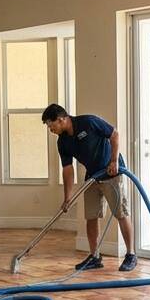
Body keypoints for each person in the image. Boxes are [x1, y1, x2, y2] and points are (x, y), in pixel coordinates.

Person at [42, 104, 137, 272]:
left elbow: (114, 134)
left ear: (61, 119)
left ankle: (131, 255)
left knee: (121, 213)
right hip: (92, 176)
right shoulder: (62, 142)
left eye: (51, 125)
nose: (51, 130)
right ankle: (95, 256)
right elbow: (67, 169)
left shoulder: (88, 122)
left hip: (111, 173)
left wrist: (114, 161)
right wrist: (67, 198)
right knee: (91, 216)